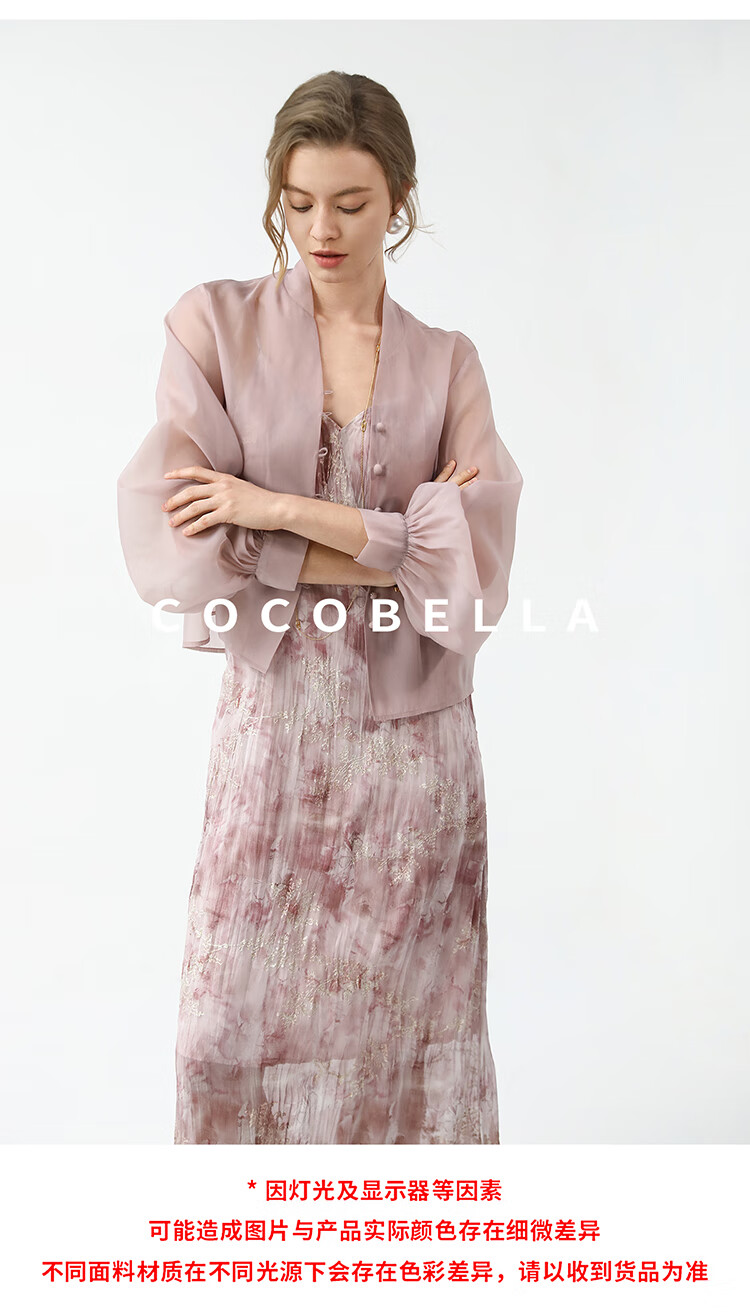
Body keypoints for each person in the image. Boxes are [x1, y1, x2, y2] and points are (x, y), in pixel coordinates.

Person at [117, 70, 523, 1144]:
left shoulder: (450, 365)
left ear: (400, 199)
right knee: (221, 1034)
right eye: (298, 204)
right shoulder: (213, 328)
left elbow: (468, 574)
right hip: (274, 730)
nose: (321, 231)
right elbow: (186, 539)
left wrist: (273, 509)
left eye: (350, 203)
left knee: (410, 1038)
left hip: (415, 752)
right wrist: (395, 540)